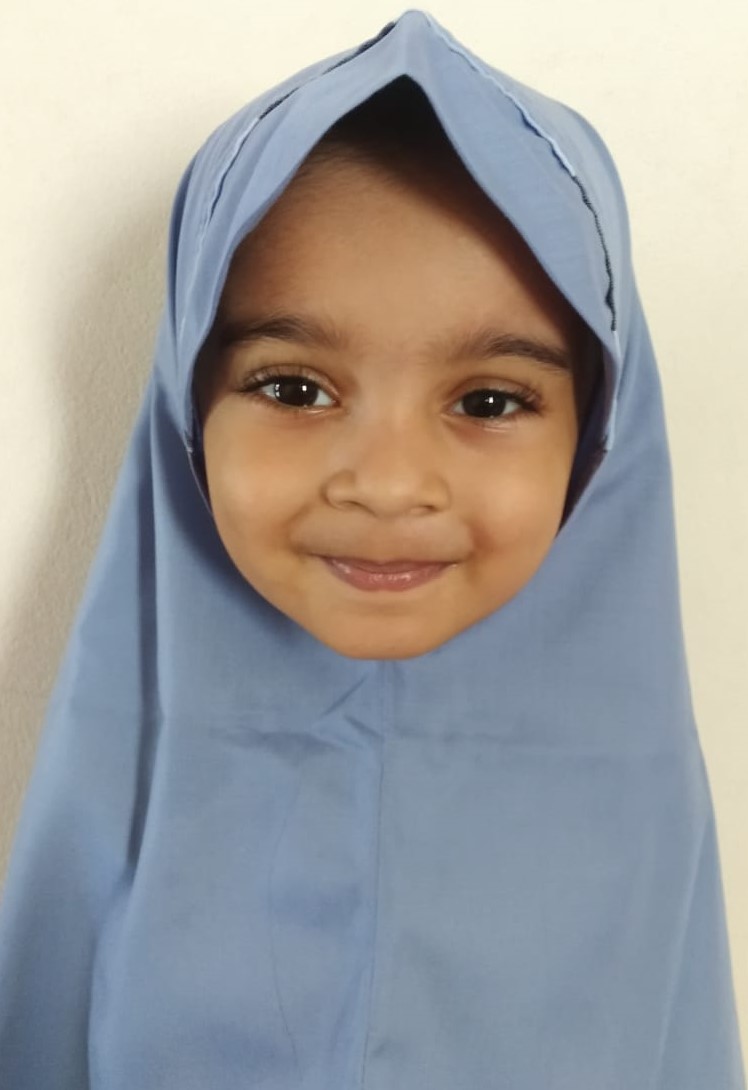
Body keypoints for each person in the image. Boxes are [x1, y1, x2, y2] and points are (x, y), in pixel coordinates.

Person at [0, 9, 744, 1088]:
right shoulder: (104, 821)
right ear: (187, 406)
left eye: (489, 400)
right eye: (294, 387)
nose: (388, 482)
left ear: (597, 437)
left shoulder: (643, 852)